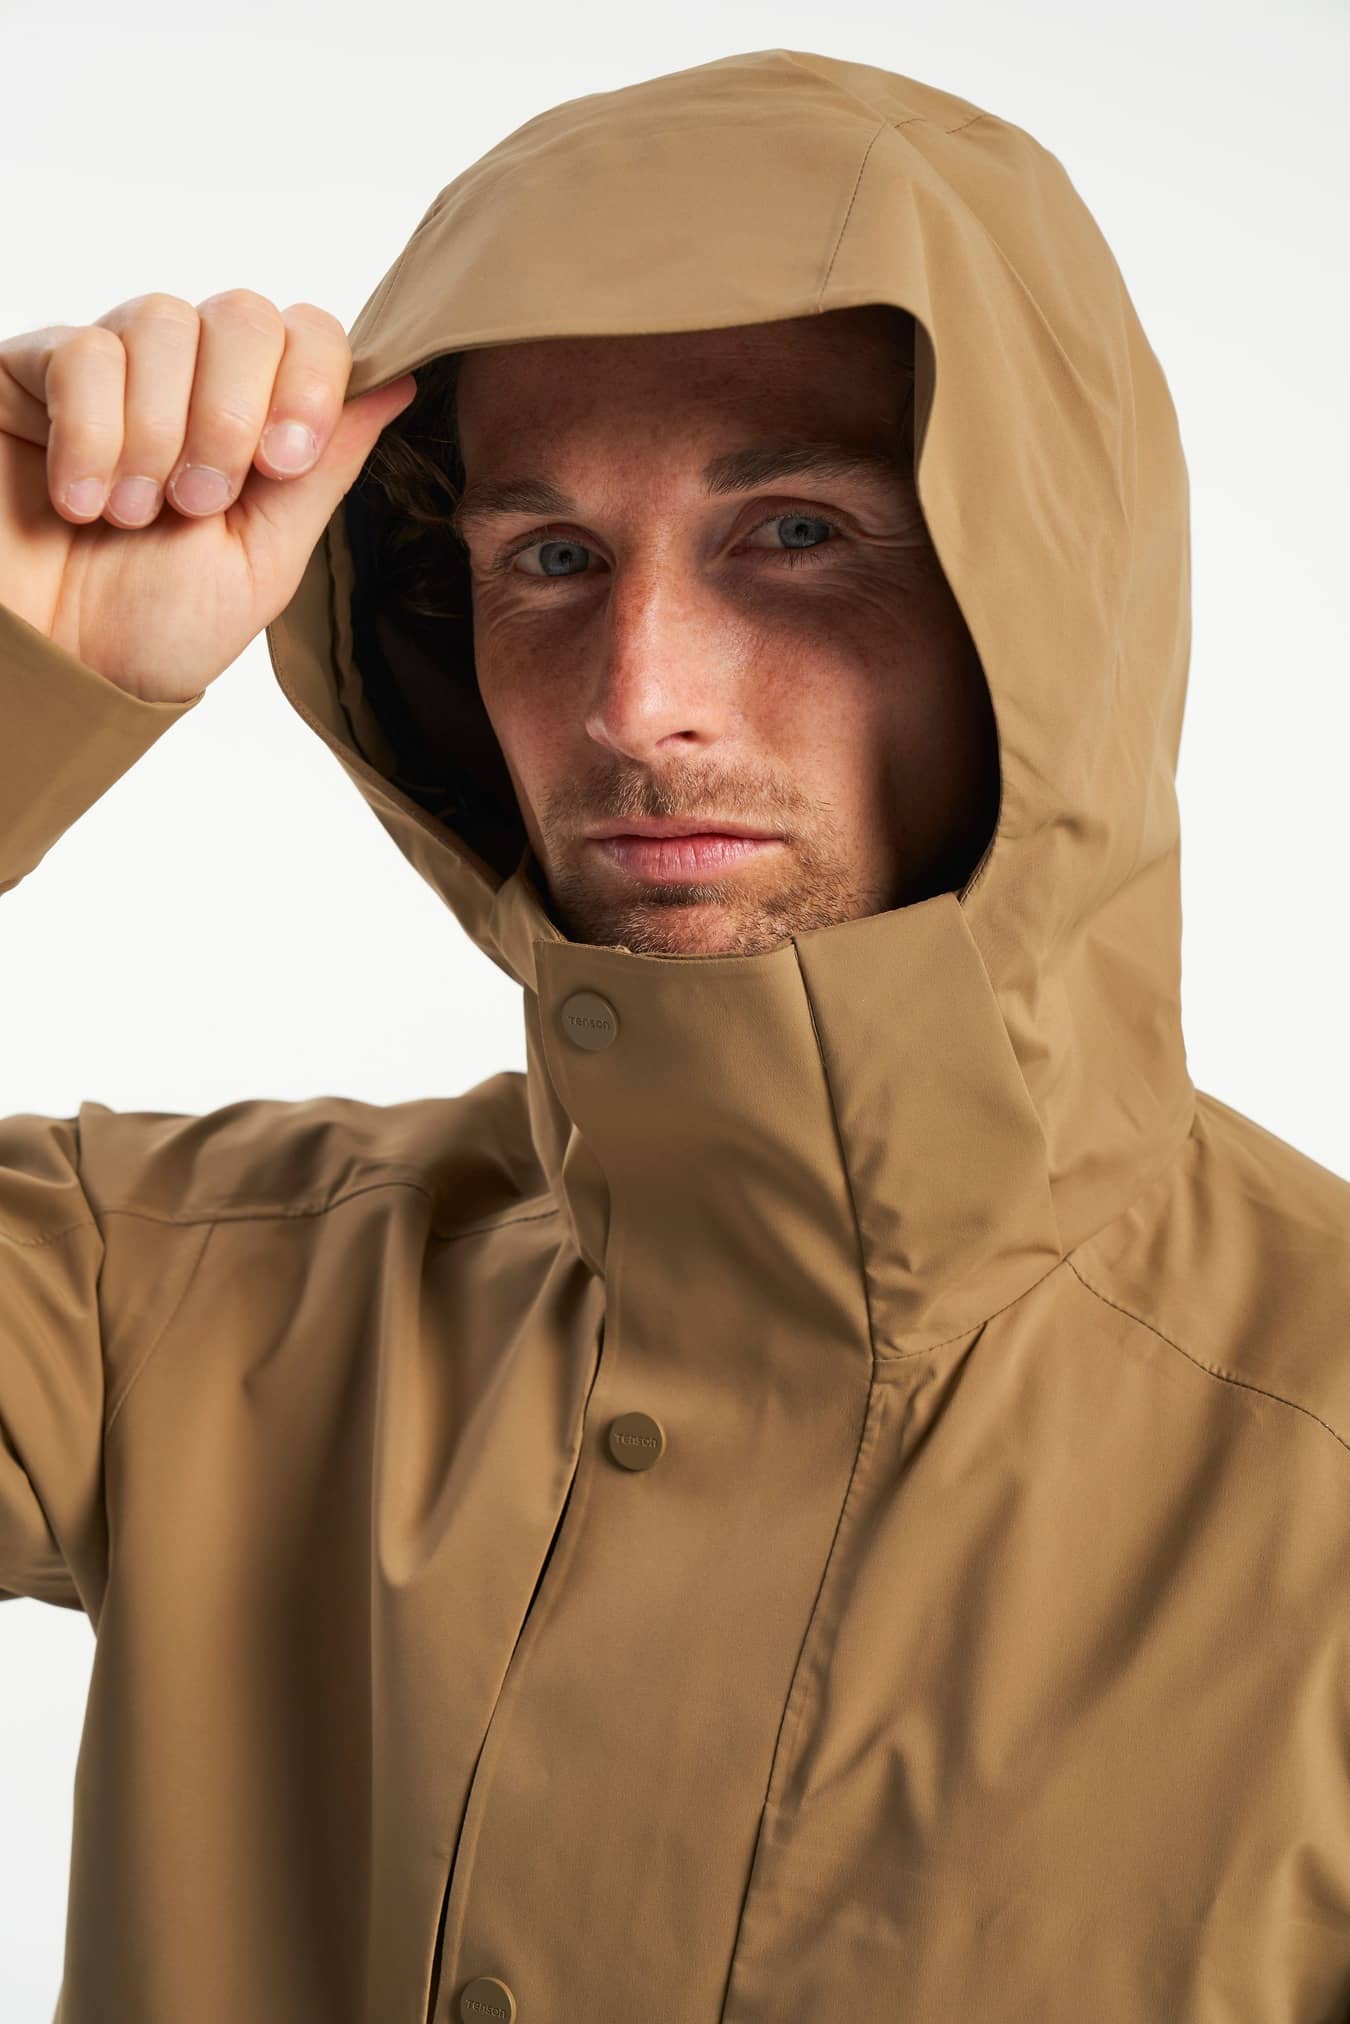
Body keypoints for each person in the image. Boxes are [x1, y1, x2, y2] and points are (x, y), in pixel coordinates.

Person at [0, 45, 1346, 2024]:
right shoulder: (191, 1297)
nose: (639, 703)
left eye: (793, 534)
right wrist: (20, 663)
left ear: (1047, 594)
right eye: (548, 560)